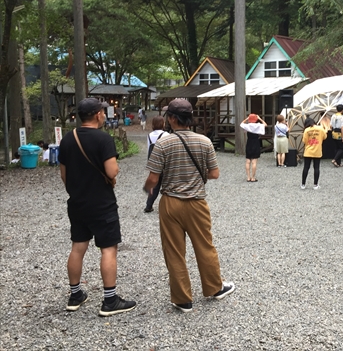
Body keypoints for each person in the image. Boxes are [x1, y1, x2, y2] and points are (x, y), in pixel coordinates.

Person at [143, 99, 235, 312]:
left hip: (170, 203)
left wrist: (147, 188)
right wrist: (195, 175)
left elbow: (153, 179)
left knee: (174, 251)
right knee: (205, 246)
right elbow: (214, 174)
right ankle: (215, 287)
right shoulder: (205, 141)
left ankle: (182, 299)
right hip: (196, 203)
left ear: (172, 119)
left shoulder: (163, 144)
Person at [58, 98, 136, 316]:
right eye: (102, 112)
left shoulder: (68, 139)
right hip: (102, 203)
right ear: (97, 115)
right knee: (108, 248)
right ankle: (110, 300)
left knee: (78, 247)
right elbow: (111, 171)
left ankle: (75, 295)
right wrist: (114, 172)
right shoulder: (103, 139)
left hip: (77, 203)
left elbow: (64, 175)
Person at [144, 116, 170, 213]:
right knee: (167, 186)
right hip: (165, 164)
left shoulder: (149, 135)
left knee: (155, 186)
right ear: (163, 124)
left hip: (154, 163)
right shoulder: (166, 135)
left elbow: (149, 149)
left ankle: (148, 205)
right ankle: (167, 207)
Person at [301, 117, 327, 190]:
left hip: (308, 151)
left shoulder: (306, 130)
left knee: (306, 167)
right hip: (317, 151)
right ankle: (315, 185)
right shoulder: (320, 128)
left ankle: (303, 184)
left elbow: (304, 141)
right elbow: (325, 137)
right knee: (316, 168)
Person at [240, 113, 267, 182]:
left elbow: (241, 124)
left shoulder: (248, 126)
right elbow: (265, 124)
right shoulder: (258, 125)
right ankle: (253, 177)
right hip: (256, 142)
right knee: (254, 162)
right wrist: (260, 119)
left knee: (248, 161)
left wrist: (246, 119)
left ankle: (248, 177)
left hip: (249, 142)